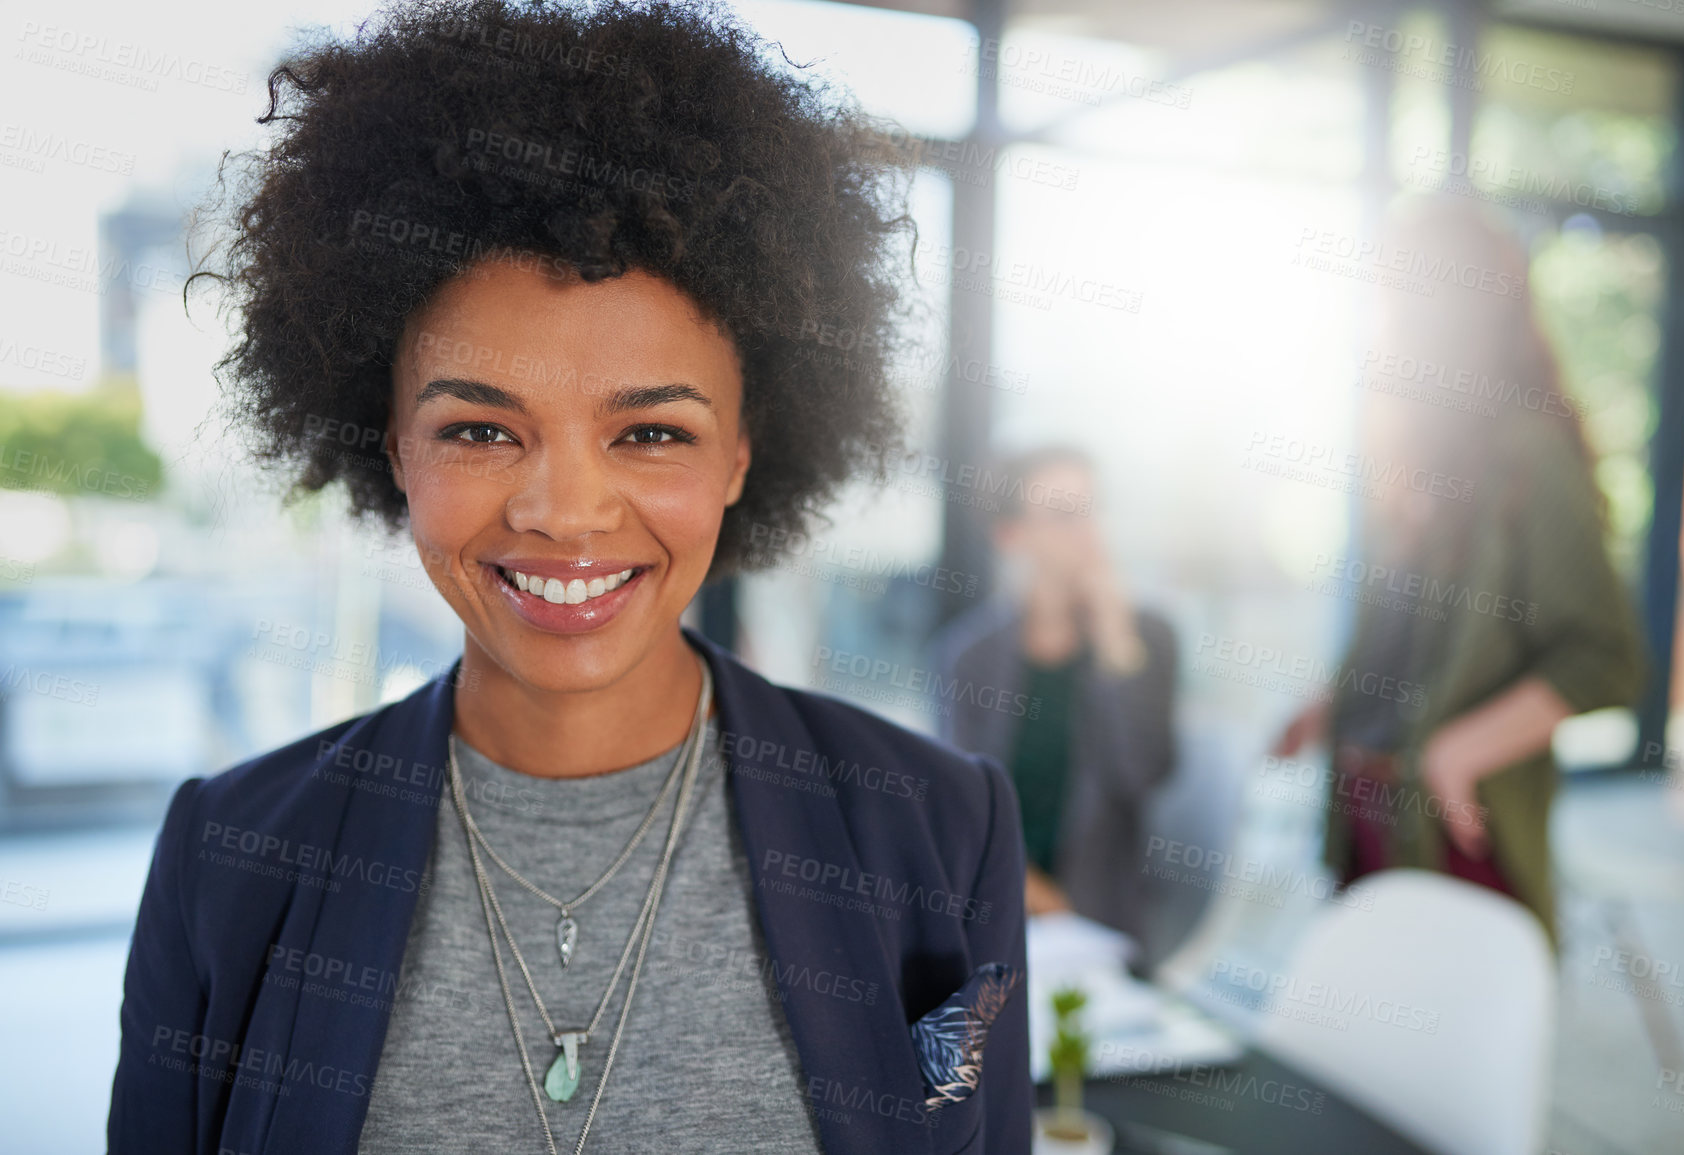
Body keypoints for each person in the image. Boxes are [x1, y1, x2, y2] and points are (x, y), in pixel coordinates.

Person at [106, 4, 1030, 1153]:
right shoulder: (230, 857)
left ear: (744, 452)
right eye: (481, 432)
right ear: (391, 446)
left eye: (651, 434)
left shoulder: (939, 825)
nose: (565, 512)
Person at [1275, 197, 1645, 943]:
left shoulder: (1527, 457)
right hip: (1369, 808)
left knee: (1443, 1039)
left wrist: (1458, 749)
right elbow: (1412, 638)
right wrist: (1332, 700)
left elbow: (1603, 656)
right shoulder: (1425, 460)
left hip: (1451, 824)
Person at [930, 445, 1177, 961]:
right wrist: (1020, 884)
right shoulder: (969, 657)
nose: (1088, 533)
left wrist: (1116, 643)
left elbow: (1144, 775)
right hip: (995, 906)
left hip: (1100, 921)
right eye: (1065, 515)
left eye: (1092, 510)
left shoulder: (1146, 638)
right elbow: (959, 804)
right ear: (1011, 535)